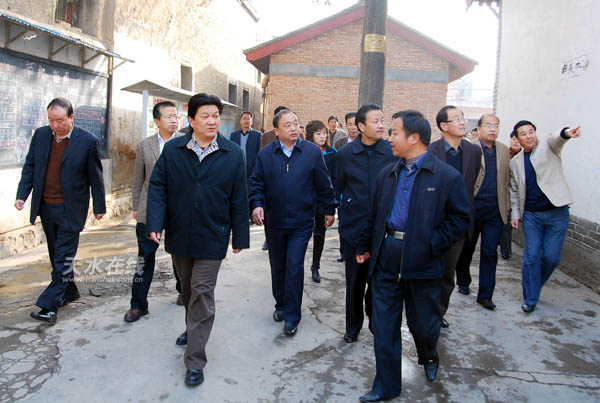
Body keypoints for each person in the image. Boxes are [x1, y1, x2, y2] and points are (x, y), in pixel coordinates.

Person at [356, 110, 470, 402]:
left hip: (423, 262)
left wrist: (433, 243)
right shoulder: (387, 174)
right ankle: (386, 386)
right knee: (384, 327)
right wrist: (364, 245)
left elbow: (460, 219)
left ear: (414, 137)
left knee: (424, 325)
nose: (389, 138)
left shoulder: (446, 176)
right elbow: (374, 214)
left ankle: (429, 353)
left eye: (395, 132)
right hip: (387, 258)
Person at [146, 93, 249, 387]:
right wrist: (155, 222)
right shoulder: (174, 149)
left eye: (216, 115)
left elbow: (239, 197)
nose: (212, 121)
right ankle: (192, 330)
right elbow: (158, 186)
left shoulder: (233, 154)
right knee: (188, 290)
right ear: (191, 120)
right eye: (205, 116)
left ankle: (194, 360)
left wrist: (240, 235)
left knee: (202, 292)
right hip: (180, 232)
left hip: (213, 235)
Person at [15, 97, 106, 324]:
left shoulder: (87, 141)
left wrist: (99, 206)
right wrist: (22, 195)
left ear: (71, 117)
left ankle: (49, 305)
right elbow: (30, 166)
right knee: (57, 254)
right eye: (51, 120)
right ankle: (70, 290)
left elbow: (96, 177)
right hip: (46, 206)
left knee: (63, 256)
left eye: (60, 120)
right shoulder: (41, 136)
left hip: (71, 209)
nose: (55, 125)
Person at [249, 109, 337, 336]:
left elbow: (324, 183)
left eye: (296, 123)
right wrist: (257, 204)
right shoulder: (266, 155)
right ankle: (280, 304)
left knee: (294, 266)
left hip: (301, 221)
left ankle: (292, 315)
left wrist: (330, 208)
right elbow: (256, 183)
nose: (293, 128)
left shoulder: (311, 152)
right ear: (276, 130)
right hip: (275, 221)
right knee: (278, 266)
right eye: (287, 125)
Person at [334, 104, 396, 343]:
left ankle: (374, 320)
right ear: (361, 126)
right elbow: (339, 185)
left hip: (383, 229)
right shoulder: (345, 155)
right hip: (354, 227)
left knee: (378, 281)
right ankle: (353, 326)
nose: (381, 125)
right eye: (375, 121)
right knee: (355, 282)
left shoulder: (391, 152)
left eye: (382, 120)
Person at [509, 120, 581, 313]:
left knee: (551, 257)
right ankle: (530, 298)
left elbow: (558, 138)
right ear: (517, 139)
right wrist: (515, 214)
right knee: (531, 256)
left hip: (557, 212)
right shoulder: (514, 163)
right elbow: (514, 190)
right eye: (523, 134)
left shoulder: (548, 145)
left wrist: (567, 132)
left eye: (531, 132)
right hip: (532, 215)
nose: (528, 136)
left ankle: (535, 284)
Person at [124, 101, 183, 323]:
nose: (174, 120)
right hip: (150, 208)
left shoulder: (186, 142)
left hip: (178, 209)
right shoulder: (145, 145)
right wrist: (136, 207)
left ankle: (184, 291)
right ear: (157, 121)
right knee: (145, 256)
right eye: (168, 116)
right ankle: (138, 305)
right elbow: (138, 179)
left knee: (181, 255)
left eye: (175, 116)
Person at [428, 105, 481, 328]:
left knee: (448, 273)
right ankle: (423, 312)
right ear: (443, 126)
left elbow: (471, 183)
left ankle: (438, 313)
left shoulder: (474, 152)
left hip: (458, 223)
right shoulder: (430, 151)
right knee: (428, 271)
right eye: (456, 119)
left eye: (463, 118)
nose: (462, 122)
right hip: (432, 222)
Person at [454, 114, 510, 310]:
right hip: (474, 207)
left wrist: (508, 208)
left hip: (495, 210)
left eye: (496, 125)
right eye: (488, 125)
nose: (493, 129)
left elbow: (506, 180)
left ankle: (485, 295)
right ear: (479, 128)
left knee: (490, 252)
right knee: (467, 248)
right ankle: (463, 280)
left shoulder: (503, 150)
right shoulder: (469, 149)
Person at [305, 120, 337, 283]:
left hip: (322, 199)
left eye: (324, 133)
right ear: (310, 135)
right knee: (303, 233)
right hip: (305, 198)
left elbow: (335, 179)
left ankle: (315, 265)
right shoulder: (304, 152)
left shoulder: (332, 153)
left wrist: (332, 204)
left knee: (319, 233)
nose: (322, 136)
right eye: (318, 133)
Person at [259, 105, 289, 251]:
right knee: (269, 212)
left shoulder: (296, 136)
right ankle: (268, 238)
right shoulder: (267, 136)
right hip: (270, 179)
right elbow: (261, 157)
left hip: (288, 178)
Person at [230, 111, 263, 217]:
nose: (246, 121)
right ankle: (239, 213)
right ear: (240, 121)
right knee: (239, 191)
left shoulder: (258, 135)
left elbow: (259, 152)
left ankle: (250, 214)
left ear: (251, 121)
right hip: (238, 168)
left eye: (248, 118)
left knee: (251, 191)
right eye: (244, 118)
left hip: (252, 169)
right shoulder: (234, 135)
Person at [499, 131, 522, 259]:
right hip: (506, 195)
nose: (515, 141)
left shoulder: (526, 157)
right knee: (506, 224)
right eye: (513, 139)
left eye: (518, 139)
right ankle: (505, 251)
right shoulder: (504, 156)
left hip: (520, 196)